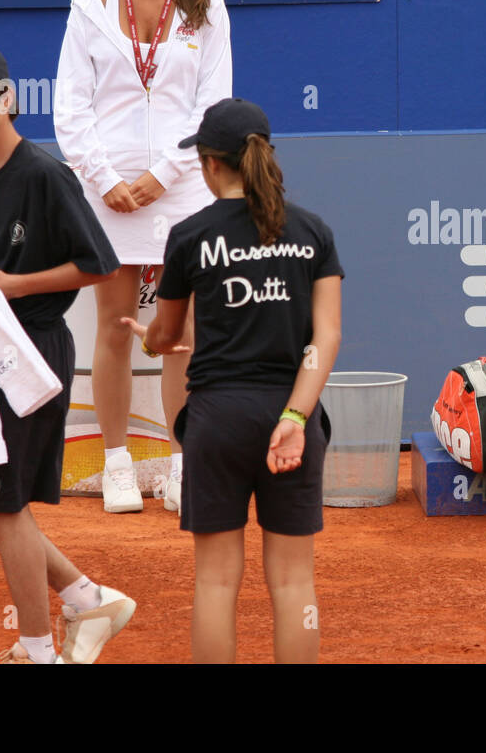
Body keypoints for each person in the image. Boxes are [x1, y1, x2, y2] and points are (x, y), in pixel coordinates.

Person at [0, 42, 136, 663]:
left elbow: (97, 265)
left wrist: (17, 286)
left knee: (2, 503)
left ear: (6, 99)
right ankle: (88, 598)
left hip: (32, 355)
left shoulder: (44, 174)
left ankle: (38, 650)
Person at [124, 98, 343, 663]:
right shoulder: (313, 231)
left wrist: (146, 334)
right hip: (292, 419)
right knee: (295, 585)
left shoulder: (189, 235)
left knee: (216, 582)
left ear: (209, 164)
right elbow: (326, 340)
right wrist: (295, 417)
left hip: (217, 422)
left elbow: (168, 336)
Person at [54, 0, 232, 515]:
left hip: (182, 191)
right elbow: (70, 107)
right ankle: (117, 462)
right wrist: (105, 180)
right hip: (108, 195)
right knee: (112, 328)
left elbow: (213, 106)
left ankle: (184, 464)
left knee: (180, 334)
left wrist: (163, 175)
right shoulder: (92, 4)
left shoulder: (205, 6)